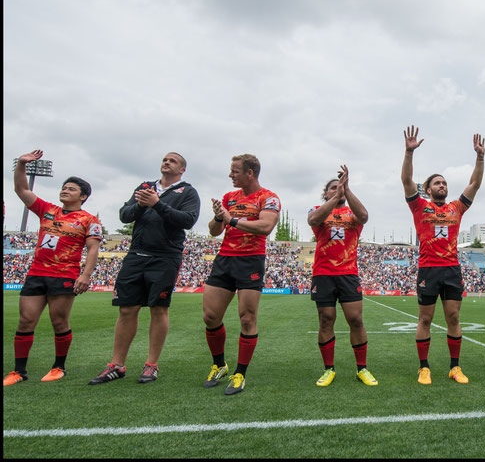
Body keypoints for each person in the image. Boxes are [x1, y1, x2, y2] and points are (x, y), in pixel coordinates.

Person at [88, 152, 200, 385]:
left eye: (172, 160)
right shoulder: (145, 186)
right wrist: (140, 204)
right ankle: (117, 365)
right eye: (164, 159)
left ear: (182, 169)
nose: (166, 162)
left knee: (158, 308)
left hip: (165, 257)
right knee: (126, 309)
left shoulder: (187, 191)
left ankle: (151, 364)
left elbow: (187, 220)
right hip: (136, 255)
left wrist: (157, 204)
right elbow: (124, 215)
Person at [4, 150, 102, 386]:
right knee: (26, 321)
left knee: (59, 321)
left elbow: (92, 249)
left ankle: (59, 367)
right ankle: (19, 371)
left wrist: (85, 275)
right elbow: (21, 190)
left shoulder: (89, 220)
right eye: (64, 187)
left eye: (71, 189)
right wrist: (22, 166)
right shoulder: (47, 209)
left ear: (83, 196)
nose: (64, 191)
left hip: (64, 275)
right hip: (37, 273)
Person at [401, 126, 484, 385]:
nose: (443, 185)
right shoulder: (419, 206)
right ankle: (423, 368)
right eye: (437, 182)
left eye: (445, 182)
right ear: (427, 189)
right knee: (425, 318)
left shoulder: (456, 208)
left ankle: (455, 368)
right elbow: (405, 180)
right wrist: (409, 152)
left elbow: (475, 184)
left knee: (454, 318)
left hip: (451, 269)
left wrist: (480, 157)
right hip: (429, 269)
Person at [201, 154, 280, 395]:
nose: (230, 175)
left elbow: (265, 227)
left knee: (247, 318)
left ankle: (240, 374)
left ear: (250, 173)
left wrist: (231, 219)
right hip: (225, 259)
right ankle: (219, 364)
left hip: (250, 261)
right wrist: (218, 216)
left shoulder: (269, 198)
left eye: (235, 171)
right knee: (210, 316)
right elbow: (214, 231)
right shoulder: (228, 198)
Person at [307, 165, 377, 387]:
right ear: (325, 193)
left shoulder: (352, 214)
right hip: (323, 274)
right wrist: (336, 196)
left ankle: (362, 369)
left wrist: (347, 190)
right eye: (332, 188)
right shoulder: (318, 209)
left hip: (348, 274)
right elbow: (313, 220)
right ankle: (329, 369)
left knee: (355, 320)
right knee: (326, 319)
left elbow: (364, 216)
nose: (337, 190)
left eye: (340, 187)